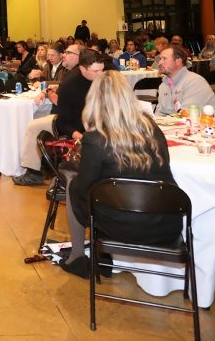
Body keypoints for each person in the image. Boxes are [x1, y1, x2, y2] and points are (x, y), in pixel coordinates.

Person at [58, 70, 180, 278]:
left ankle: (77, 256)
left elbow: (84, 189)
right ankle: (100, 257)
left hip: (116, 227)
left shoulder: (95, 139)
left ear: (94, 100)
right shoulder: (151, 127)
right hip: (165, 223)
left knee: (73, 185)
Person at [13, 49, 101, 186]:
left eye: (101, 70)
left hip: (87, 124)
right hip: (78, 124)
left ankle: (33, 173)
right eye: (96, 71)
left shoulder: (91, 78)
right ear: (83, 68)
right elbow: (63, 122)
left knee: (33, 126)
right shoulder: (71, 83)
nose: (100, 74)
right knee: (34, 125)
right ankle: (34, 172)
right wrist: (83, 137)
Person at [155, 46, 215, 115]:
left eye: (164, 59)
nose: (159, 63)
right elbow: (159, 116)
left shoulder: (195, 82)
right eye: (160, 59)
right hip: (173, 124)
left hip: (199, 124)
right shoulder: (163, 85)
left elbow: (187, 117)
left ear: (178, 61)